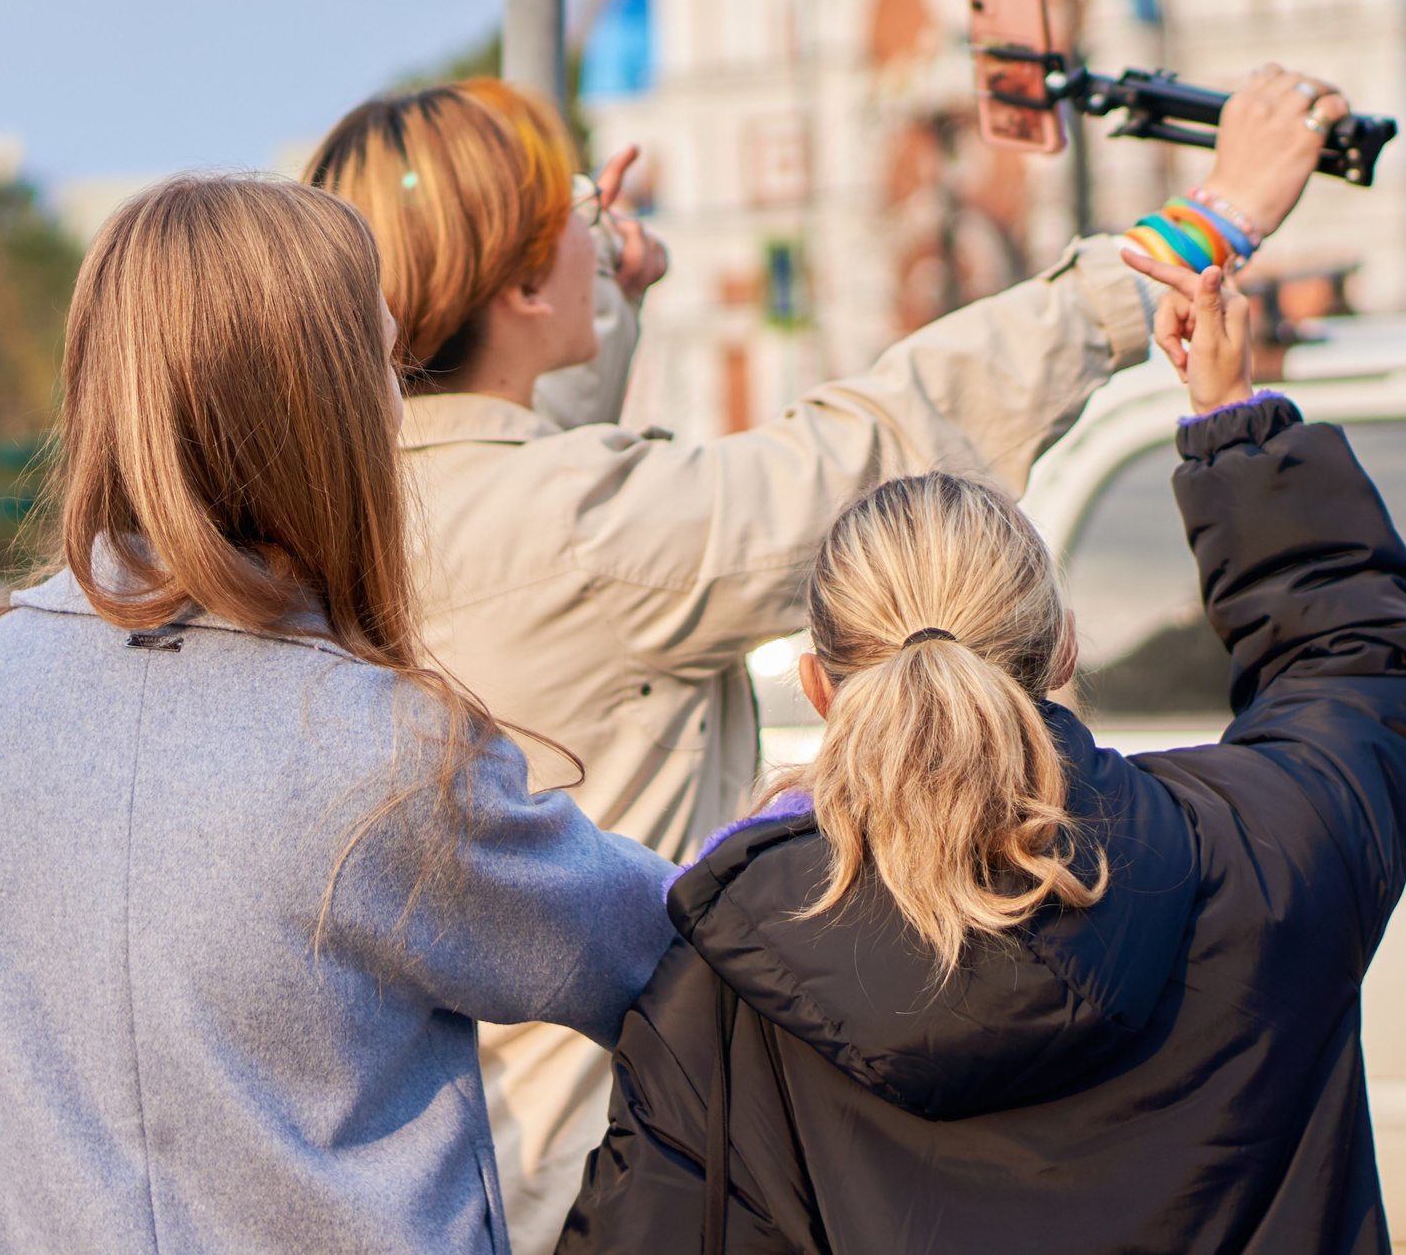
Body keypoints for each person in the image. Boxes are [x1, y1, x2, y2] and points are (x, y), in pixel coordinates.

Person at [305, 66, 1343, 1251]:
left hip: (461, 1166)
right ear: (527, 286)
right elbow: (879, 442)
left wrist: (599, 306)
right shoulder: (578, 533)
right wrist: (1208, 222)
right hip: (590, 1177)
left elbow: (503, 423)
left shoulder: (356, 511)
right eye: (568, 232)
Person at [552, 262, 1406, 1254]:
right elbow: (1365, 678)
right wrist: (1235, 426)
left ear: (817, 688)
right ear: (1061, 647)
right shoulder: (1261, 857)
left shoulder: (728, 971)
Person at [0, 174, 675, 1254]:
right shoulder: (379, 748)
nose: (396, 402)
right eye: (381, 363)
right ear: (320, 409)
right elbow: (649, 952)